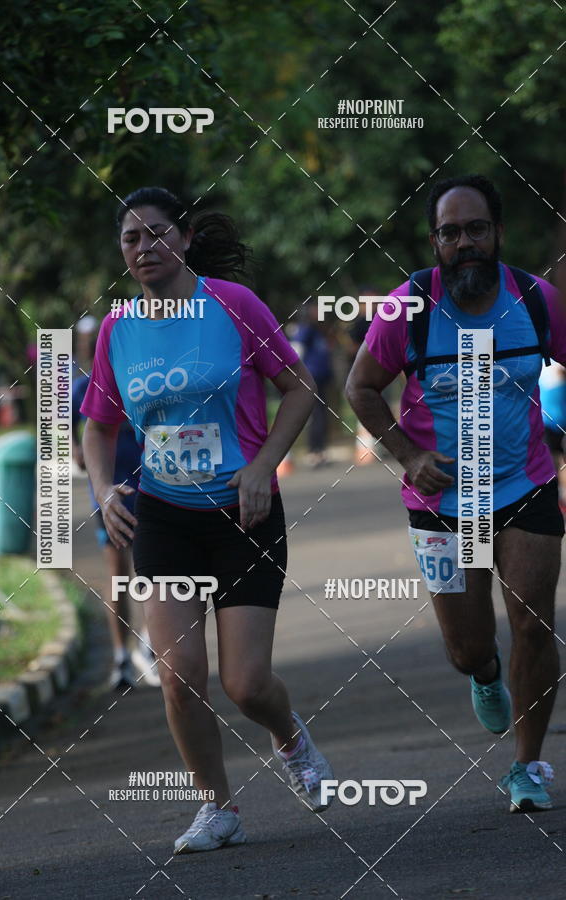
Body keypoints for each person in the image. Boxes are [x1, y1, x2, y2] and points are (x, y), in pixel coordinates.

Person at [80, 186, 334, 853]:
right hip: (163, 516)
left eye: (157, 233)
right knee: (178, 674)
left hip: (244, 514)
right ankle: (217, 808)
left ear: (185, 238)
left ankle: (290, 737)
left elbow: (300, 390)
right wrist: (104, 490)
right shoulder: (117, 330)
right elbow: (98, 427)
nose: (145, 248)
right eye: (132, 239)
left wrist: (263, 468)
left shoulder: (233, 305)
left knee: (246, 684)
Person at [346, 174, 564, 814]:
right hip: (446, 504)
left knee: (532, 620)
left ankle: (527, 765)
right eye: (450, 232)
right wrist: (409, 457)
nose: (464, 243)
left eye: (476, 229)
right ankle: (487, 674)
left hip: (525, 486)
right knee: (468, 648)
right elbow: (361, 388)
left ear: (497, 232)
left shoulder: (535, 297)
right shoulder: (406, 307)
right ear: (434, 241)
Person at [72, 330, 160, 690]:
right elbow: (68, 436)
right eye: (89, 345)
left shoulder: (139, 378)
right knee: (119, 574)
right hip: (109, 495)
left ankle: (150, 646)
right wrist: (78, 453)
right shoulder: (82, 388)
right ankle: (122, 659)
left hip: (152, 488)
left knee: (154, 573)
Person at [294, 301, 335, 466]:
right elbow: (296, 351)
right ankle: (313, 450)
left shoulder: (320, 331)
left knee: (322, 415)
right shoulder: (305, 330)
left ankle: (321, 449)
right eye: (315, 309)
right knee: (315, 416)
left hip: (322, 378)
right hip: (310, 378)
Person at [539, 359, 566, 510]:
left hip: (560, 424)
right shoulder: (542, 361)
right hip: (548, 425)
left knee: (560, 464)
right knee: (554, 464)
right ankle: (557, 502)